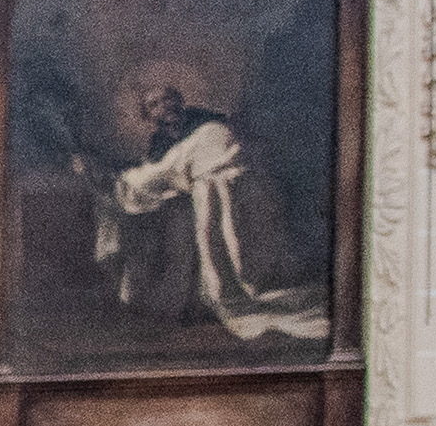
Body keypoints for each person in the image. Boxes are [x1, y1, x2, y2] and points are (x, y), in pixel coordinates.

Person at [93, 77, 327, 344]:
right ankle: (181, 300)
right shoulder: (159, 141)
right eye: (154, 104)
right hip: (188, 194)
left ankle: (223, 292)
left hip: (239, 185)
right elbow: (166, 172)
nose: (164, 106)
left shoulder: (207, 122)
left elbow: (218, 149)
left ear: (180, 101)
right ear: (148, 115)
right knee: (166, 218)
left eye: (169, 98)